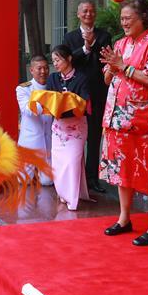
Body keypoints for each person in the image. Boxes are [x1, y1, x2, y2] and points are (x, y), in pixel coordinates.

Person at [99, 0, 148, 246]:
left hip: (145, 120)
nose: (124, 23)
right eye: (122, 19)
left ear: (143, 18)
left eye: (128, 18)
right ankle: (124, 218)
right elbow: (109, 80)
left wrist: (122, 66)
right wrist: (110, 68)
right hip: (117, 119)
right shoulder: (120, 43)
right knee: (122, 170)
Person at [63, 0, 112, 193]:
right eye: (85, 11)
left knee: (93, 137)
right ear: (78, 14)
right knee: (74, 136)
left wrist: (94, 44)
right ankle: (73, 176)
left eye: (91, 11)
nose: (88, 14)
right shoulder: (70, 37)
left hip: (98, 92)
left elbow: (106, 60)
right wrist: (85, 48)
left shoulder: (104, 36)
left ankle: (92, 178)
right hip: (76, 94)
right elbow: (68, 61)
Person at [46, 44, 92, 210]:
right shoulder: (53, 78)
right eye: (54, 61)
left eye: (58, 59)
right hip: (59, 127)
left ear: (69, 58)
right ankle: (63, 193)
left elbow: (85, 102)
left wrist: (71, 101)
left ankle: (72, 199)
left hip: (76, 126)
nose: (56, 63)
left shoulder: (82, 78)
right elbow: (49, 100)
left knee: (72, 162)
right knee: (58, 163)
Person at [16, 55, 53, 186]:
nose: (43, 71)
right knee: (22, 181)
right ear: (31, 70)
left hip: (48, 143)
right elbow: (27, 110)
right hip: (30, 144)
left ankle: (40, 175)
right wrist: (47, 100)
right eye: (39, 68)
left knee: (47, 182)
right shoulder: (23, 88)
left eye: (46, 68)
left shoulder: (53, 86)